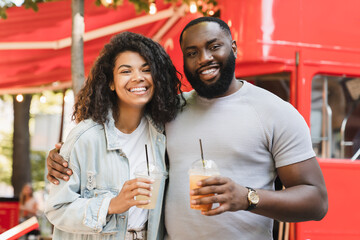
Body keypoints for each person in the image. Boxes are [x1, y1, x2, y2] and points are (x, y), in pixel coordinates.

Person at [46, 17, 328, 240]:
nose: (204, 58)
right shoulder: (168, 112)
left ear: (234, 47)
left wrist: (247, 197)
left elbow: (316, 202)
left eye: (214, 46)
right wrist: (64, 155)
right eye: (192, 53)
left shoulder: (275, 112)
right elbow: (115, 137)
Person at [44, 31, 184, 240]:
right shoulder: (85, 138)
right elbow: (56, 209)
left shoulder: (163, 133)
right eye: (126, 71)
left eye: (146, 70)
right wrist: (111, 204)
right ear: (110, 82)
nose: (138, 77)